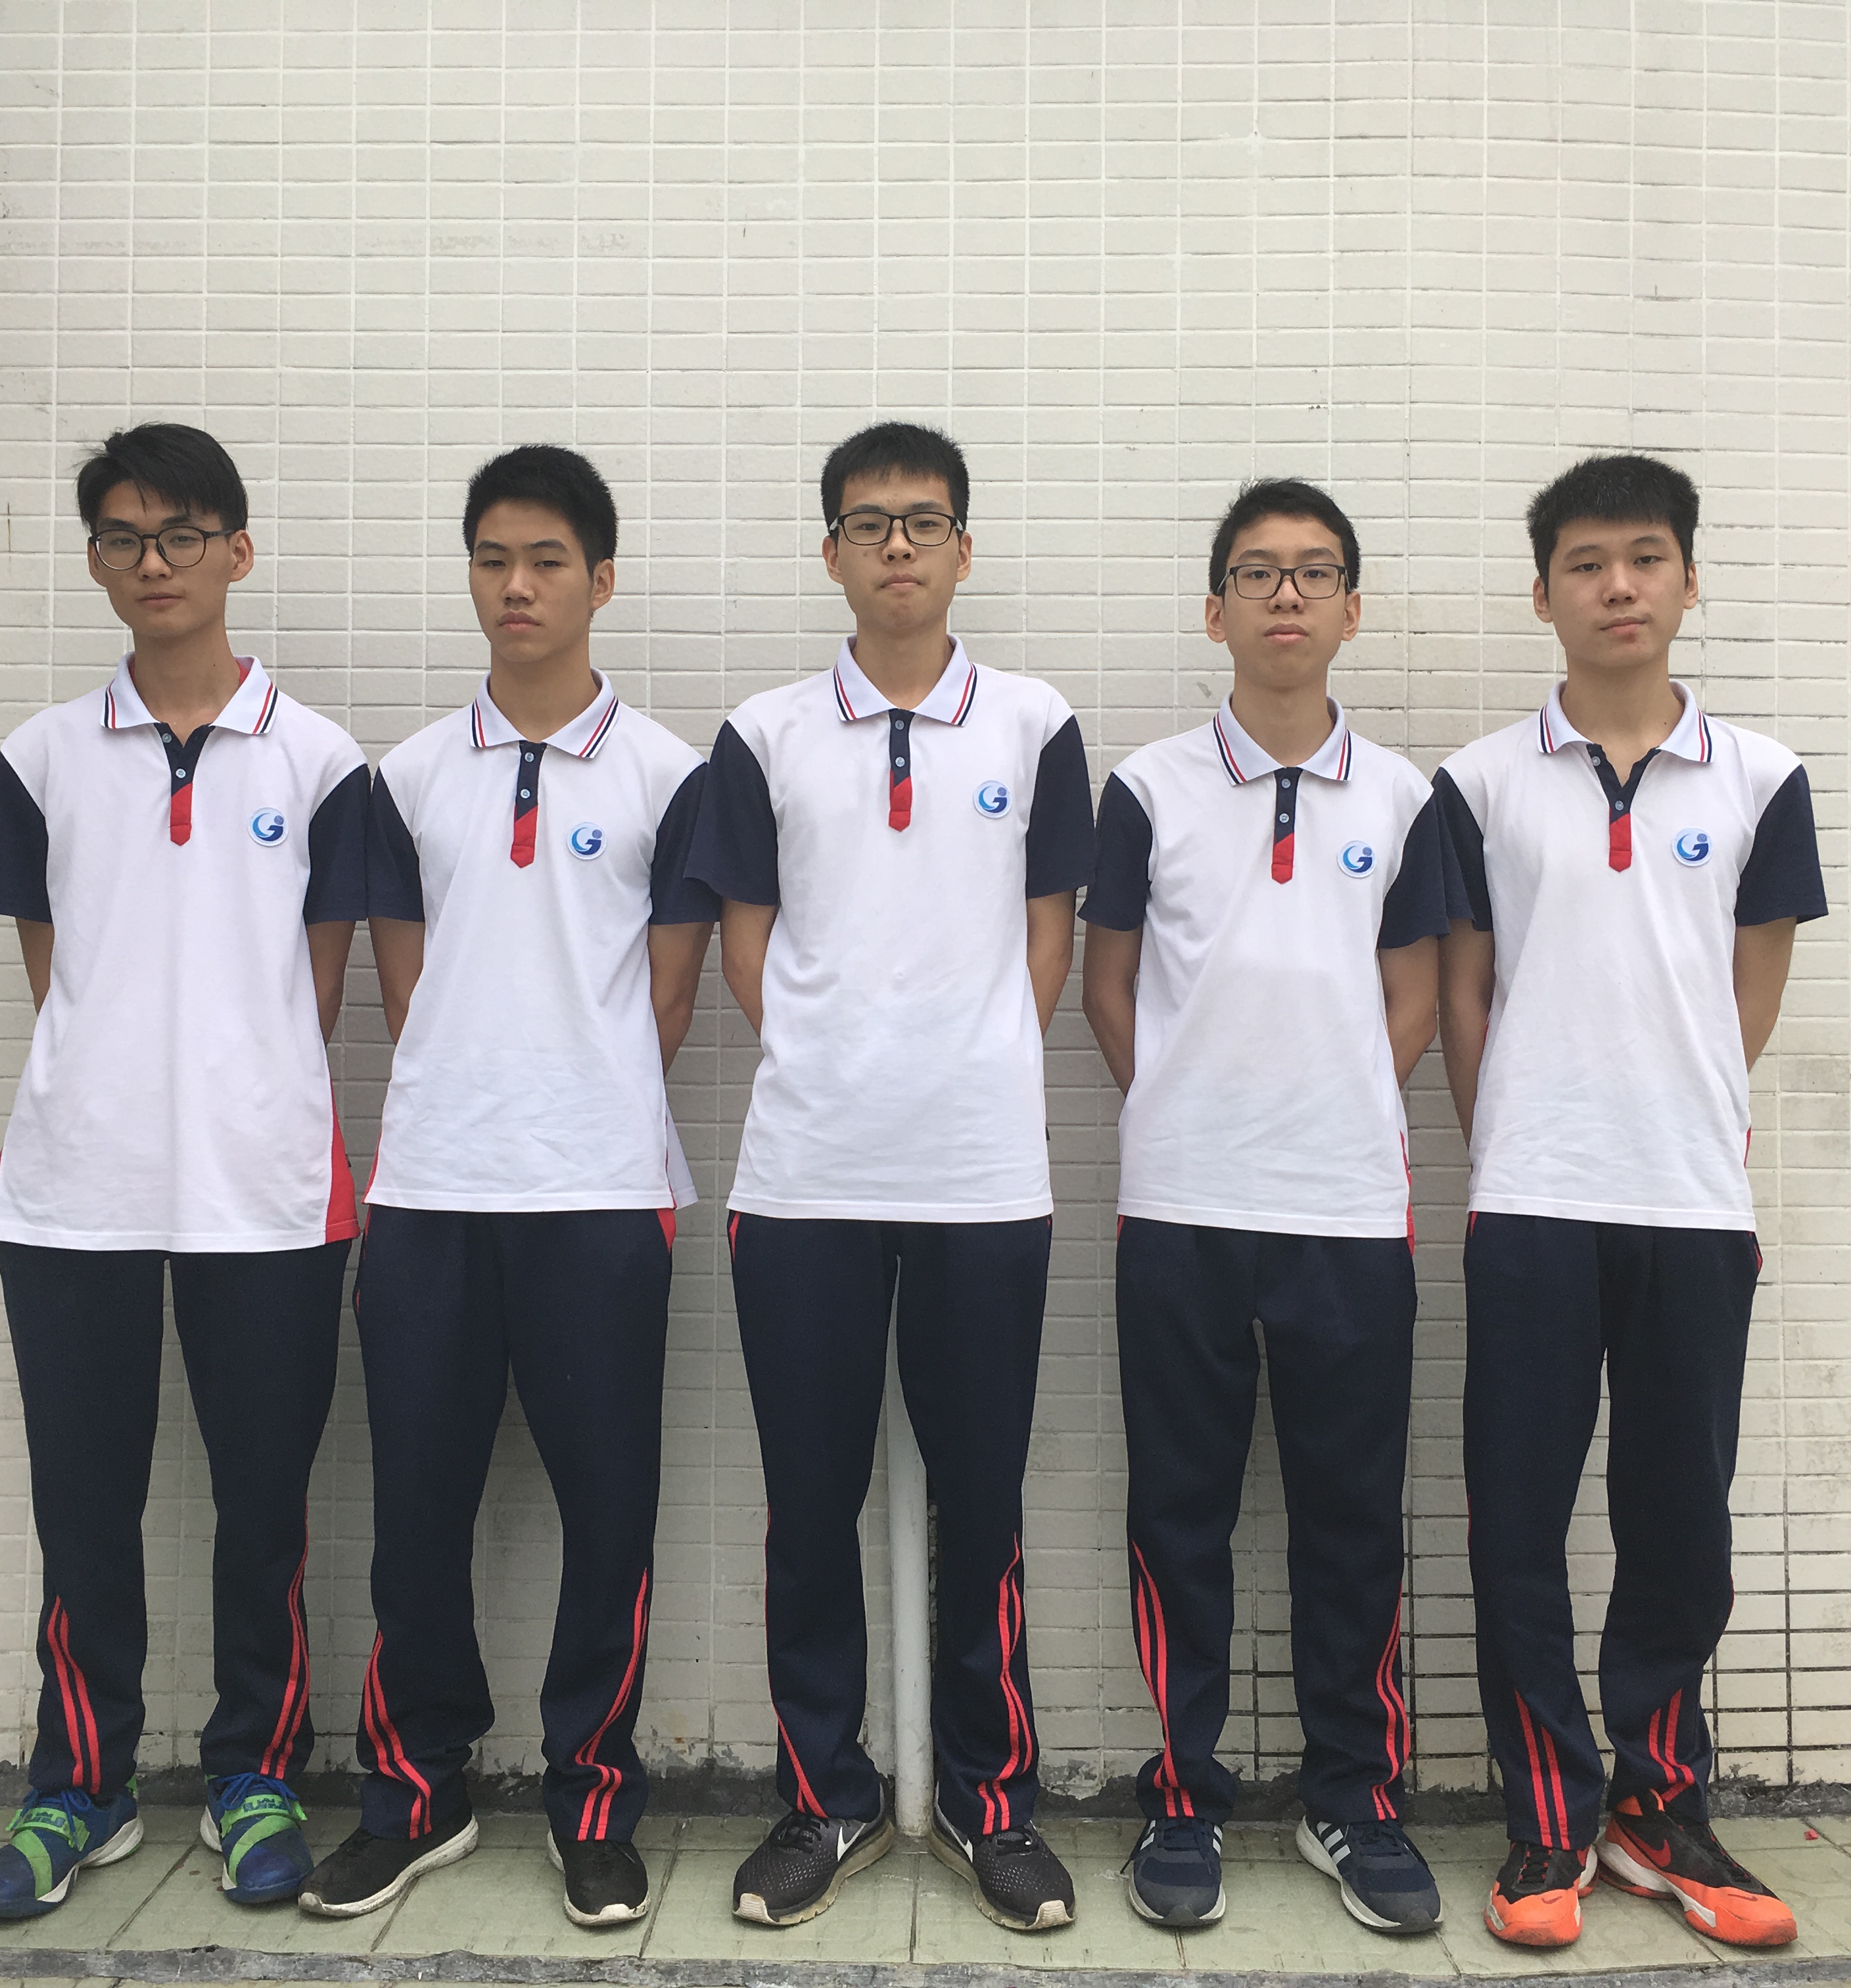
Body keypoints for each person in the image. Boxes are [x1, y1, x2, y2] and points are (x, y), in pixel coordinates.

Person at [296, 447, 718, 1931]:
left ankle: (593, 1803)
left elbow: (669, 1000)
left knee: (610, 1516)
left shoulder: (672, 777)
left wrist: (573, 1109)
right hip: (430, 1196)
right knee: (416, 1513)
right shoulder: (405, 778)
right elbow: (406, 995)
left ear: (602, 579)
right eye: (492, 560)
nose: (517, 587)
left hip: (601, 1193)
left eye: (546, 561)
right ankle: (417, 1795)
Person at [687, 422, 1096, 1933]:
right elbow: (746, 944)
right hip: (806, 1177)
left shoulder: (1036, 725)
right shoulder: (765, 734)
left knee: (981, 1503)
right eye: (871, 524)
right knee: (812, 1502)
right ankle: (829, 1797)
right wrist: (831, 1060)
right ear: (834, 554)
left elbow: (1049, 934)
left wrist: (974, 1065)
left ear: (963, 548)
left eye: (925, 521)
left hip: (984, 1177)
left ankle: (993, 1804)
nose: (900, 546)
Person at [0, 423, 369, 1918]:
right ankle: (82, 1787)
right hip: (76, 1191)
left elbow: (313, 988)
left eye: (184, 535)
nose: (156, 563)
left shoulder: (322, 762)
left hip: (266, 1193)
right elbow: (58, 975)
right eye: (125, 539)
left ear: (237, 552)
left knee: (265, 1507)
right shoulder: (42, 759)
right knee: (84, 1508)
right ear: (95, 563)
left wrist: (225, 1093)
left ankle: (255, 1776)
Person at [1434, 453, 1825, 1951]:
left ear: (1688, 580)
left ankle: (1659, 1809)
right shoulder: (1478, 784)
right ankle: (1547, 1818)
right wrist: (1515, 1137)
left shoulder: (1761, 778)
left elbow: (1749, 991)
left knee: (1679, 1520)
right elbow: (1467, 993)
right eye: (1587, 564)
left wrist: (1680, 1112)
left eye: (1646, 559)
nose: (1618, 587)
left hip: (1691, 1201)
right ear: (1543, 593)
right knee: (1518, 1518)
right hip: (1533, 1198)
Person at [1081, 481, 1451, 1935]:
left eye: (1313, 574)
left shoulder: (1408, 799)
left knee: (1351, 1521)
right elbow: (1107, 984)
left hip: (1349, 1215)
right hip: (1181, 1211)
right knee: (1180, 1515)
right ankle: (1184, 1796)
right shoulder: (1148, 789)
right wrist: (1188, 1104)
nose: (1285, 596)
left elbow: (1416, 996)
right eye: (1256, 573)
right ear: (1215, 609)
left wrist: (1328, 1102)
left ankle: (1353, 1797)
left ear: (1353, 609)